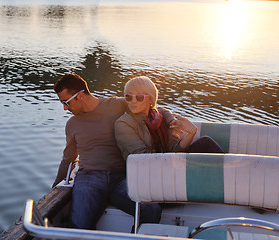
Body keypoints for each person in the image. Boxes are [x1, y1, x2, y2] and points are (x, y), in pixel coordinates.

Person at [52, 73, 175, 230]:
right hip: (89, 178)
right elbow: (68, 159)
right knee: (78, 225)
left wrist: (171, 121)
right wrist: (54, 189)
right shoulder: (72, 124)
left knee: (151, 210)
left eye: (66, 102)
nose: (64, 108)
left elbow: (153, 107)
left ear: (80, 96)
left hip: (121, 178)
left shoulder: (116, 105)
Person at [115, 76, 224, 161]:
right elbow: (144, 158)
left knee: (205, 143)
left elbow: (174, 150)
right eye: (128, 97)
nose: (133, 101)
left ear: (150, 99)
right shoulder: (123, 124)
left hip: (168, 162)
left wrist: (191, 133)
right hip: (147, 171)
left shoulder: (160, 116)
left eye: (139, 97)